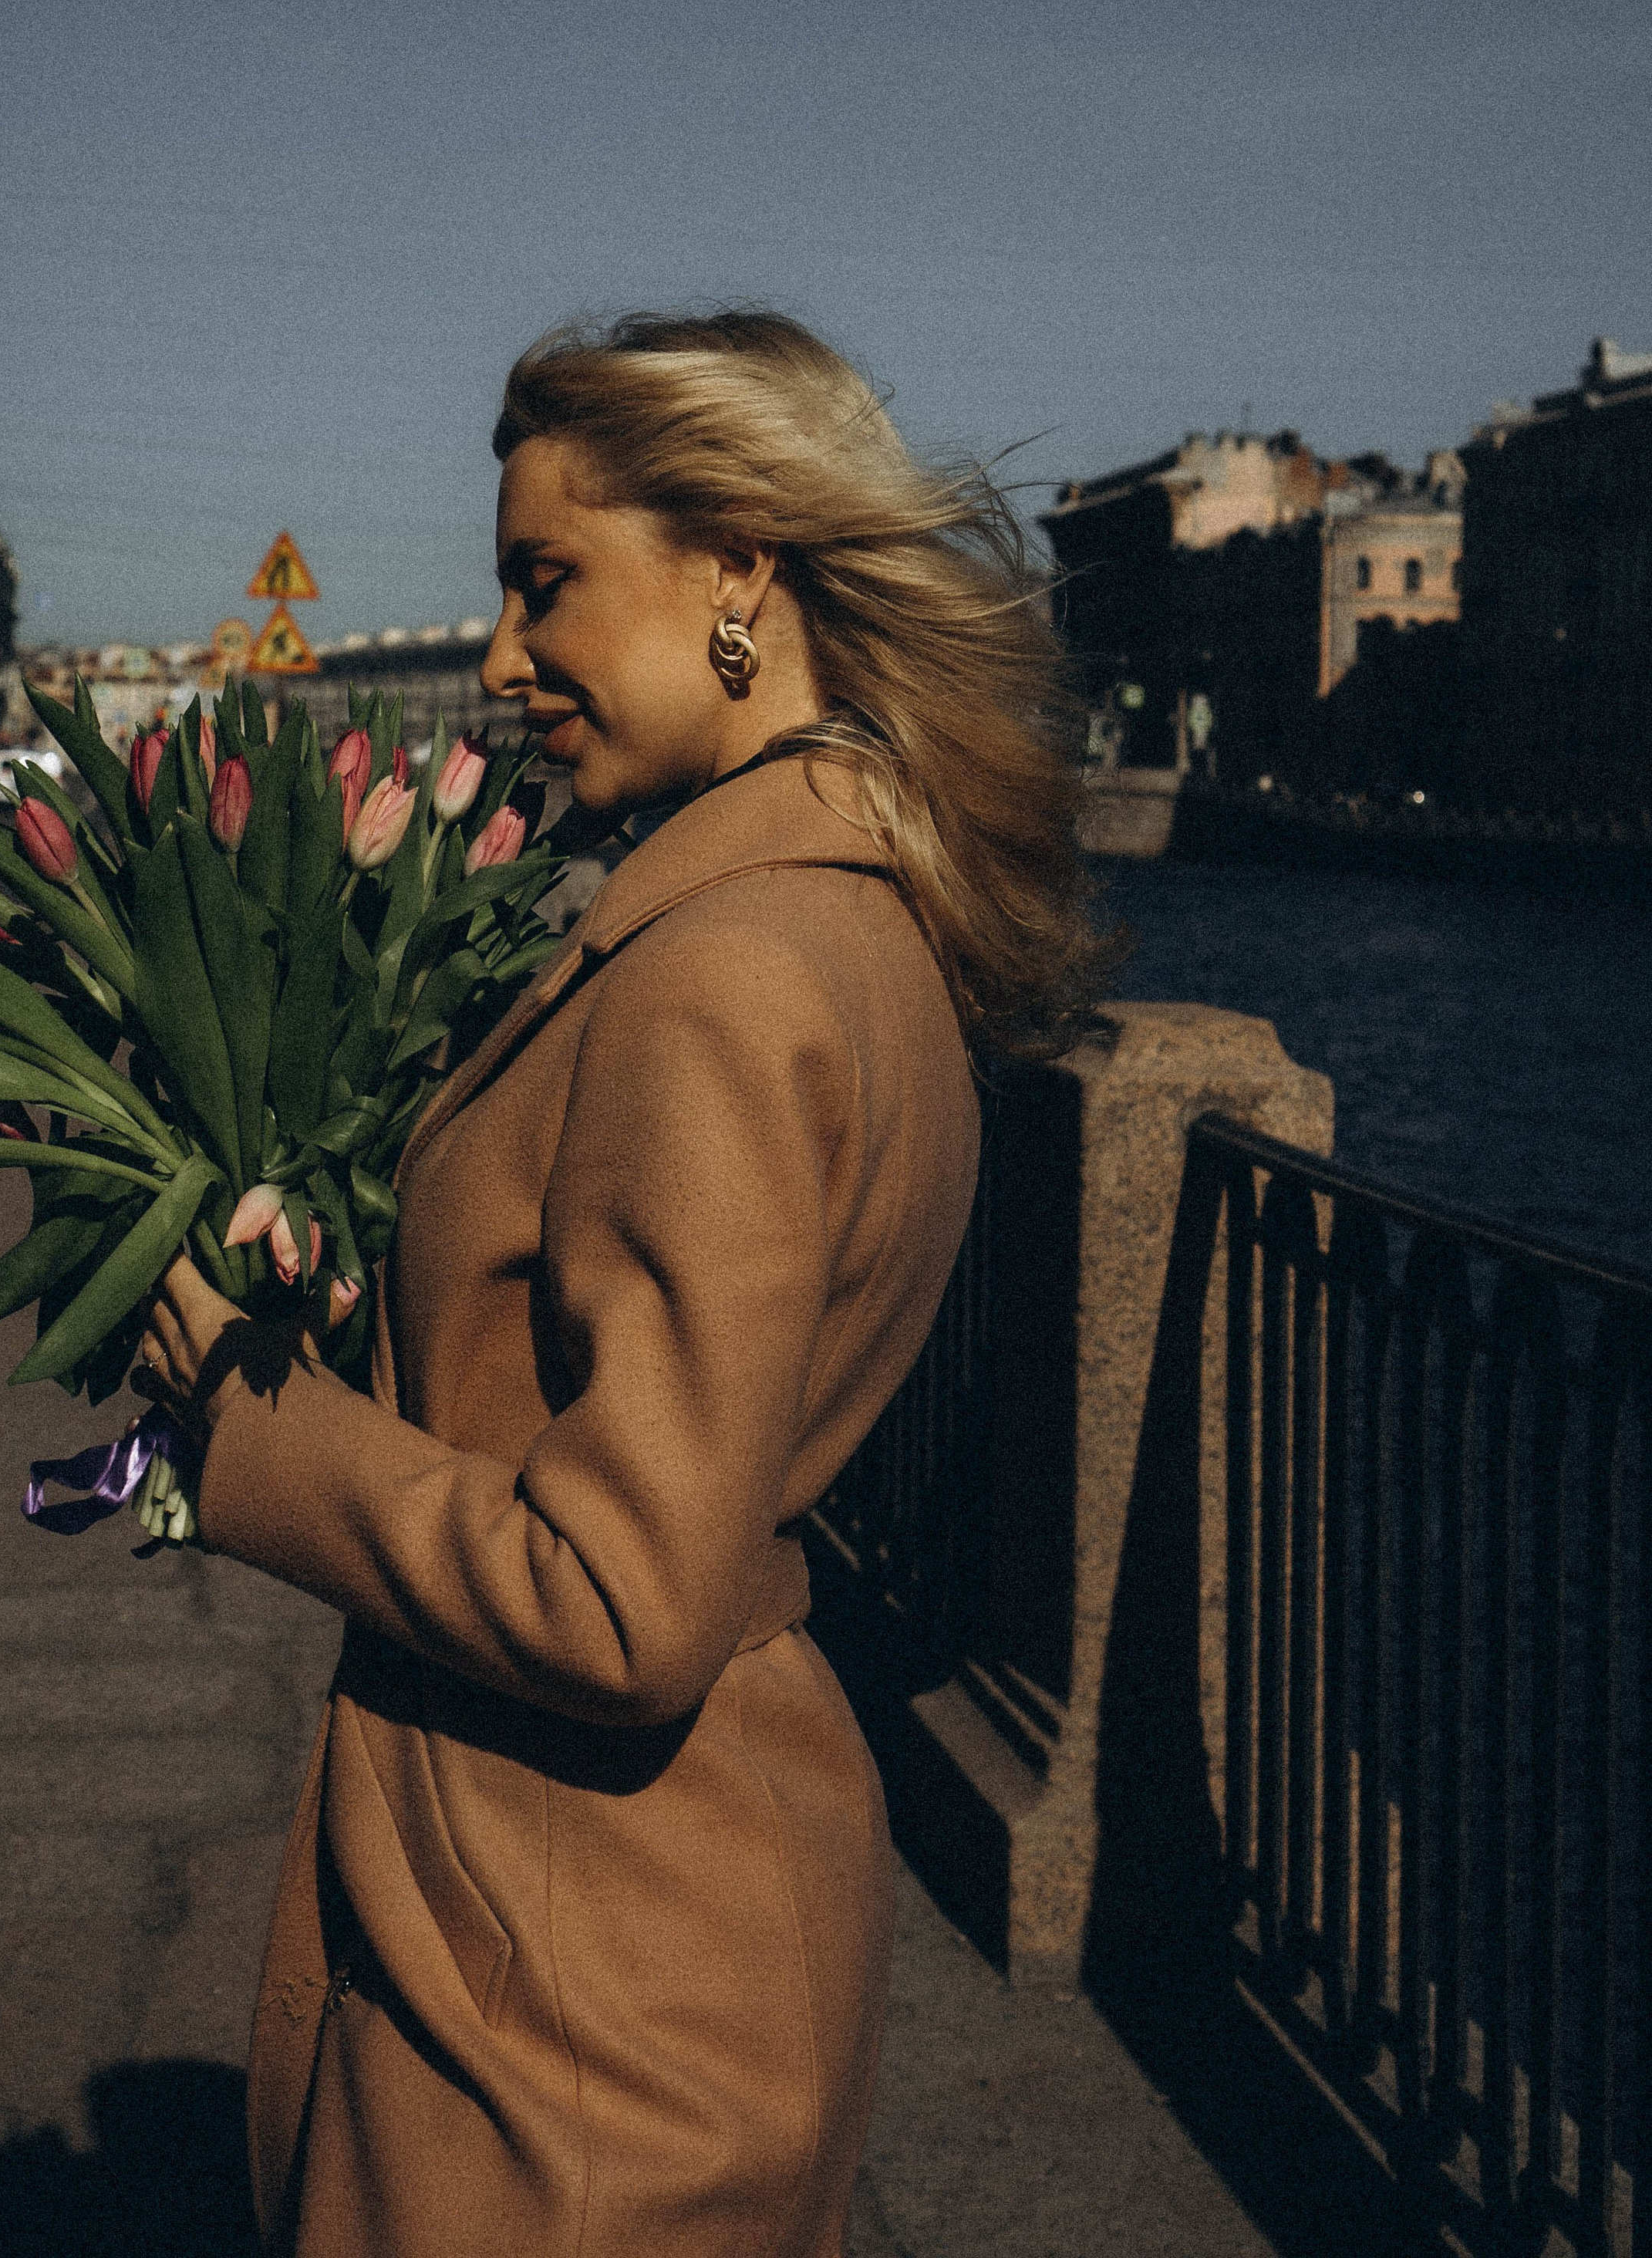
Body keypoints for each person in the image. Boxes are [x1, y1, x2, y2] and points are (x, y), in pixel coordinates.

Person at [140, 310, 1108, 2256]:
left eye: (543, 581)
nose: (503, 657)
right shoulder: (838, 918)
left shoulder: (721, 973)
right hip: (660, 1914)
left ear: (739, 571)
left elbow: (618, 1596)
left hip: (568, 1966)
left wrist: (257, 1428)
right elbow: (656, 1409)